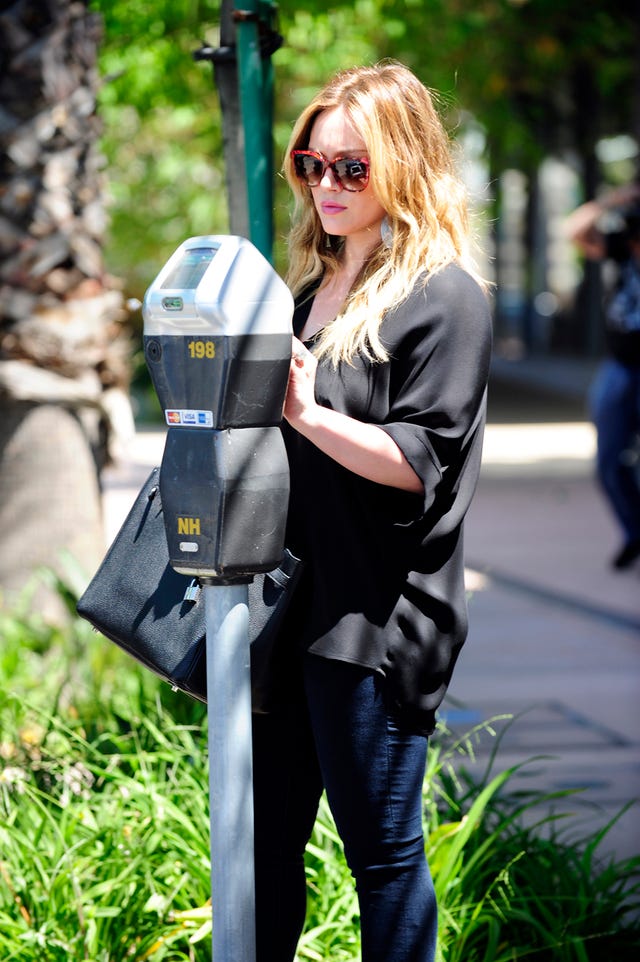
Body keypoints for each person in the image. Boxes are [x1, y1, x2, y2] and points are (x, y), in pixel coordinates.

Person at [251, 62, 492, 962]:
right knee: (262, 847)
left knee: (382, 861)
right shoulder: (305, 293)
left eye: (352, 167)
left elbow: (418, 462)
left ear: (403, 165)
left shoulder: (444, 297)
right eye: (311, 164)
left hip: (373, 621)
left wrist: (308, 414)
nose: (328, 183)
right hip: (283, 609)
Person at [565, 183, 640, 570]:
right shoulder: (620, 249)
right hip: (620, 366)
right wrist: (611, 201)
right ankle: (634, 531)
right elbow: (574, 230)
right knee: (609, 460)